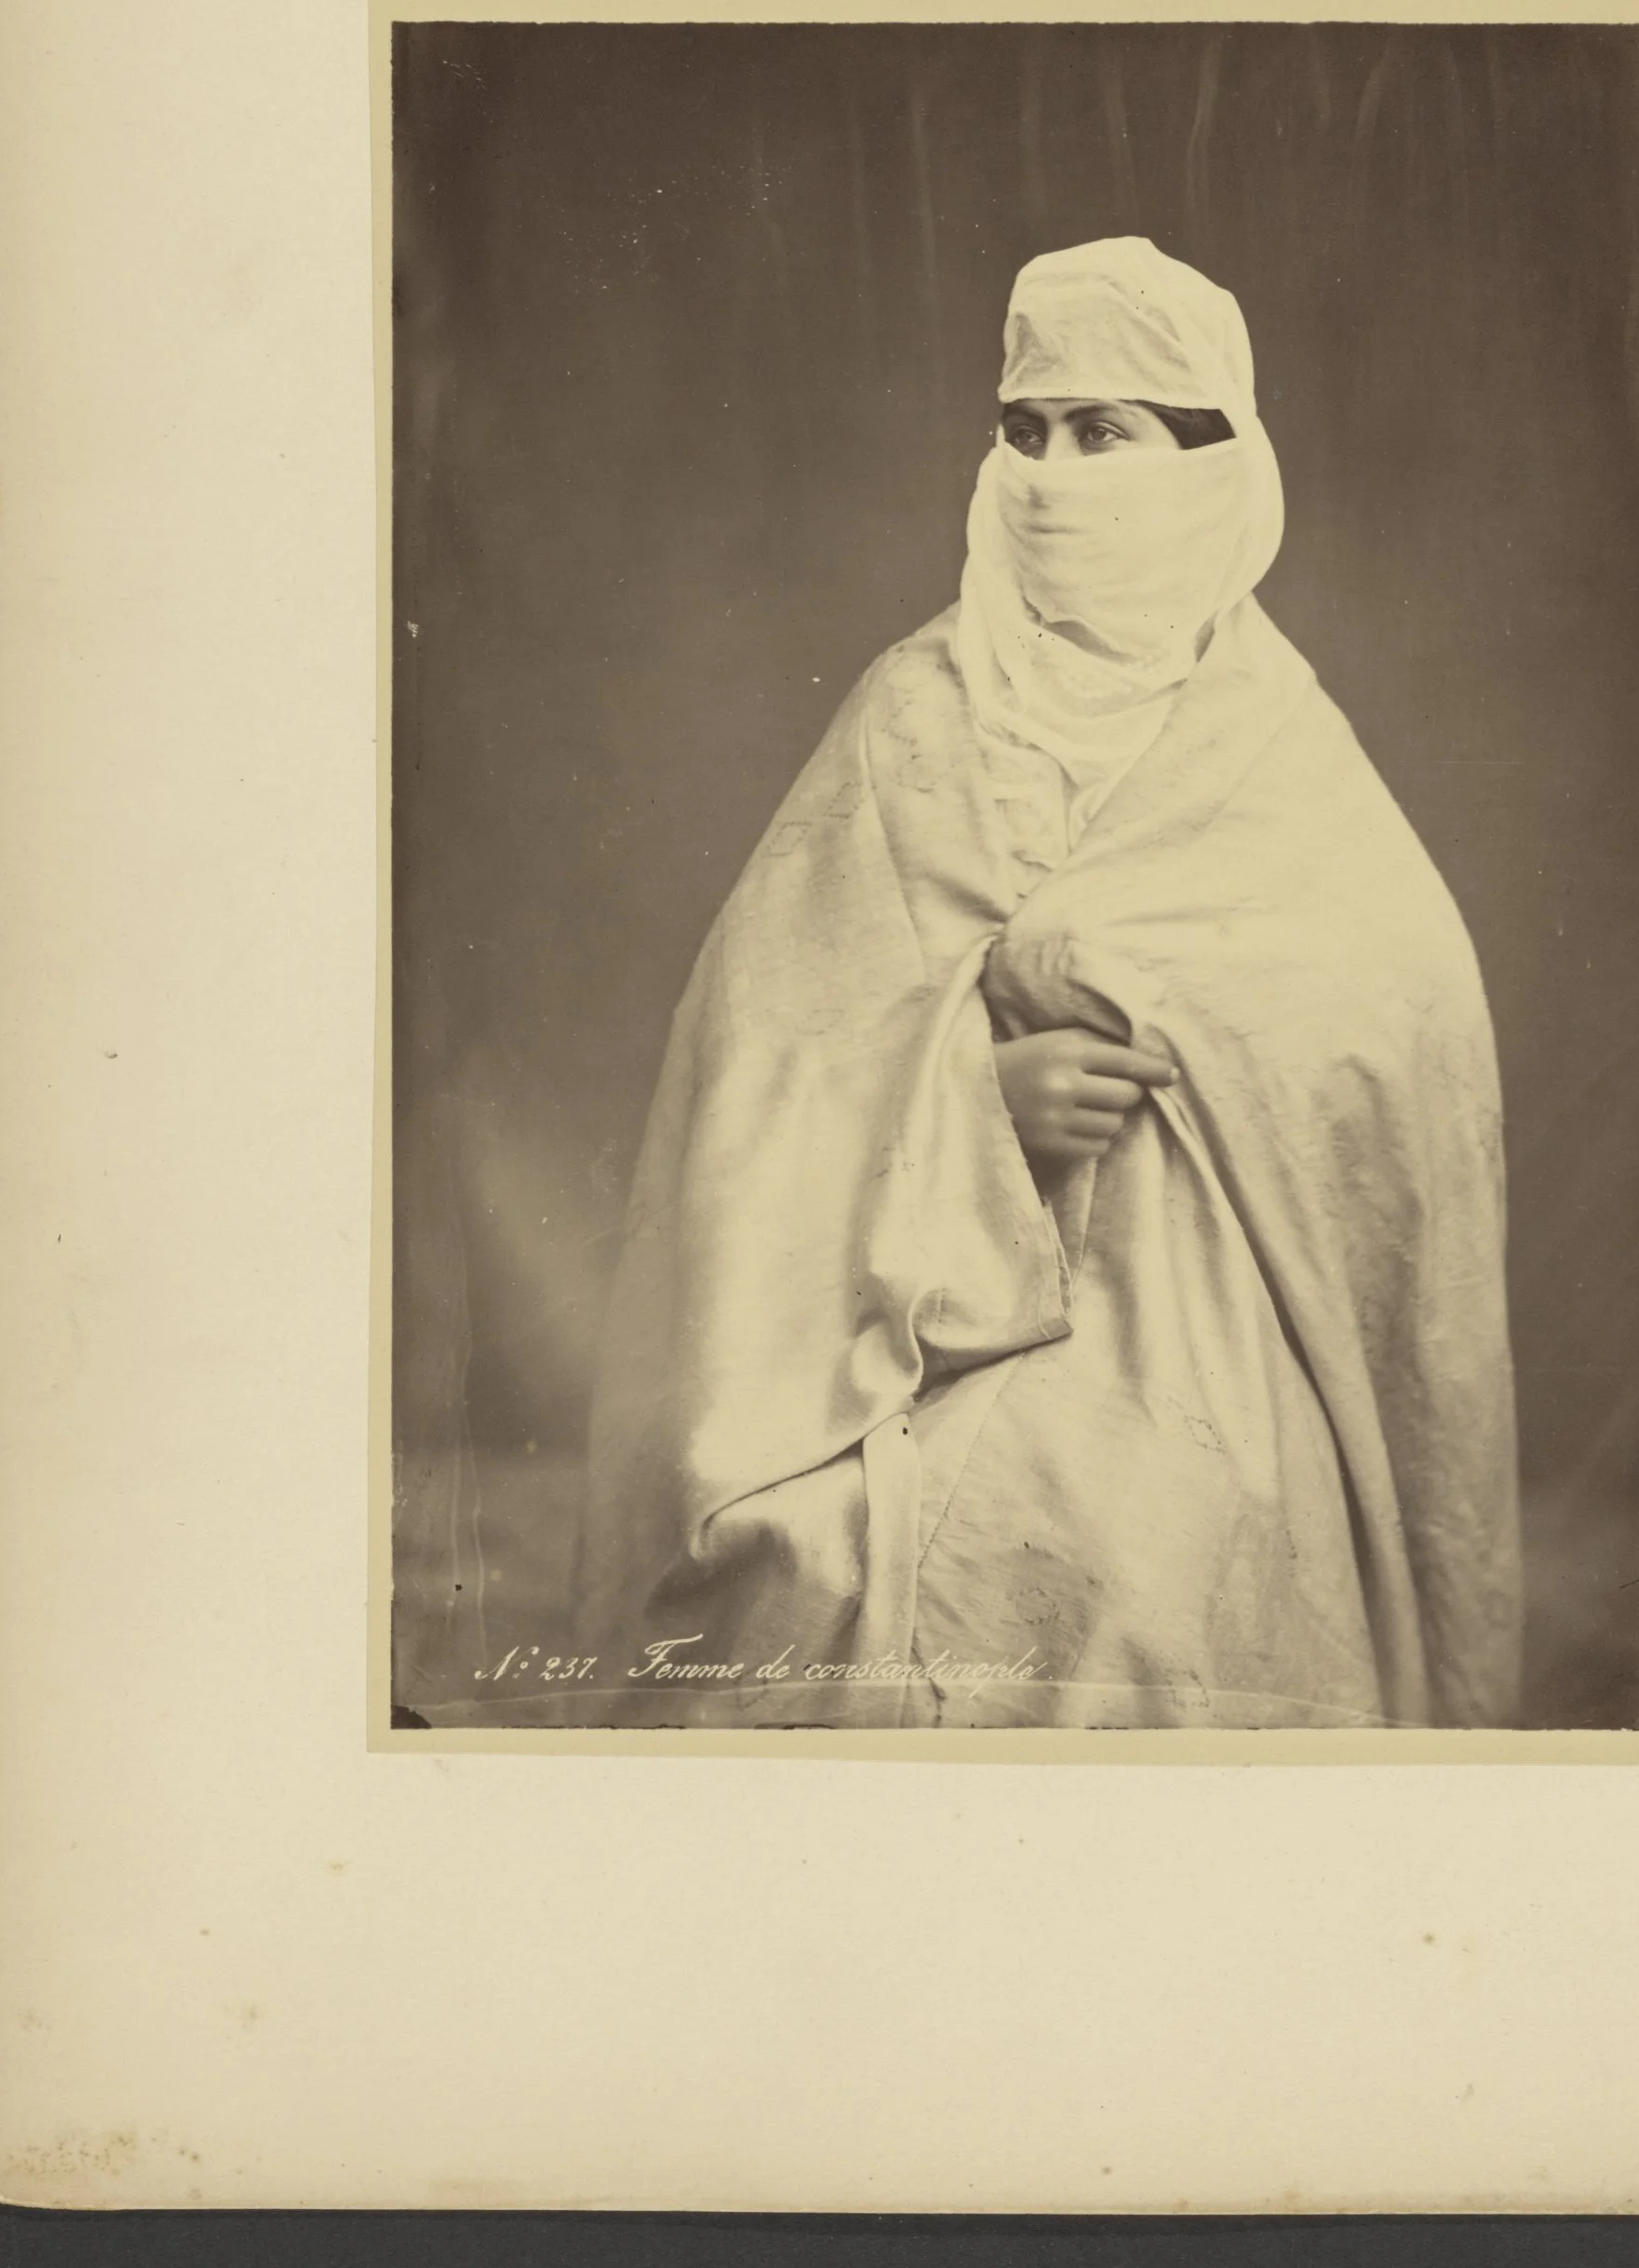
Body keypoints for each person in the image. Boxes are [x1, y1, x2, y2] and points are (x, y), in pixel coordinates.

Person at [573, 237, 1521, 1727]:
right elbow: (752, 1071)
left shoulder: (1280, 753)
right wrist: (968, 1097)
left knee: (1131, 1603)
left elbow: (1393, 1061)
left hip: (1202, 1341)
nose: (1050, 474)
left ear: (1209, 461)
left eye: (1104, 432)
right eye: (1025, 431)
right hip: (888, 1343)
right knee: (816, 1591)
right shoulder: (911, 712)